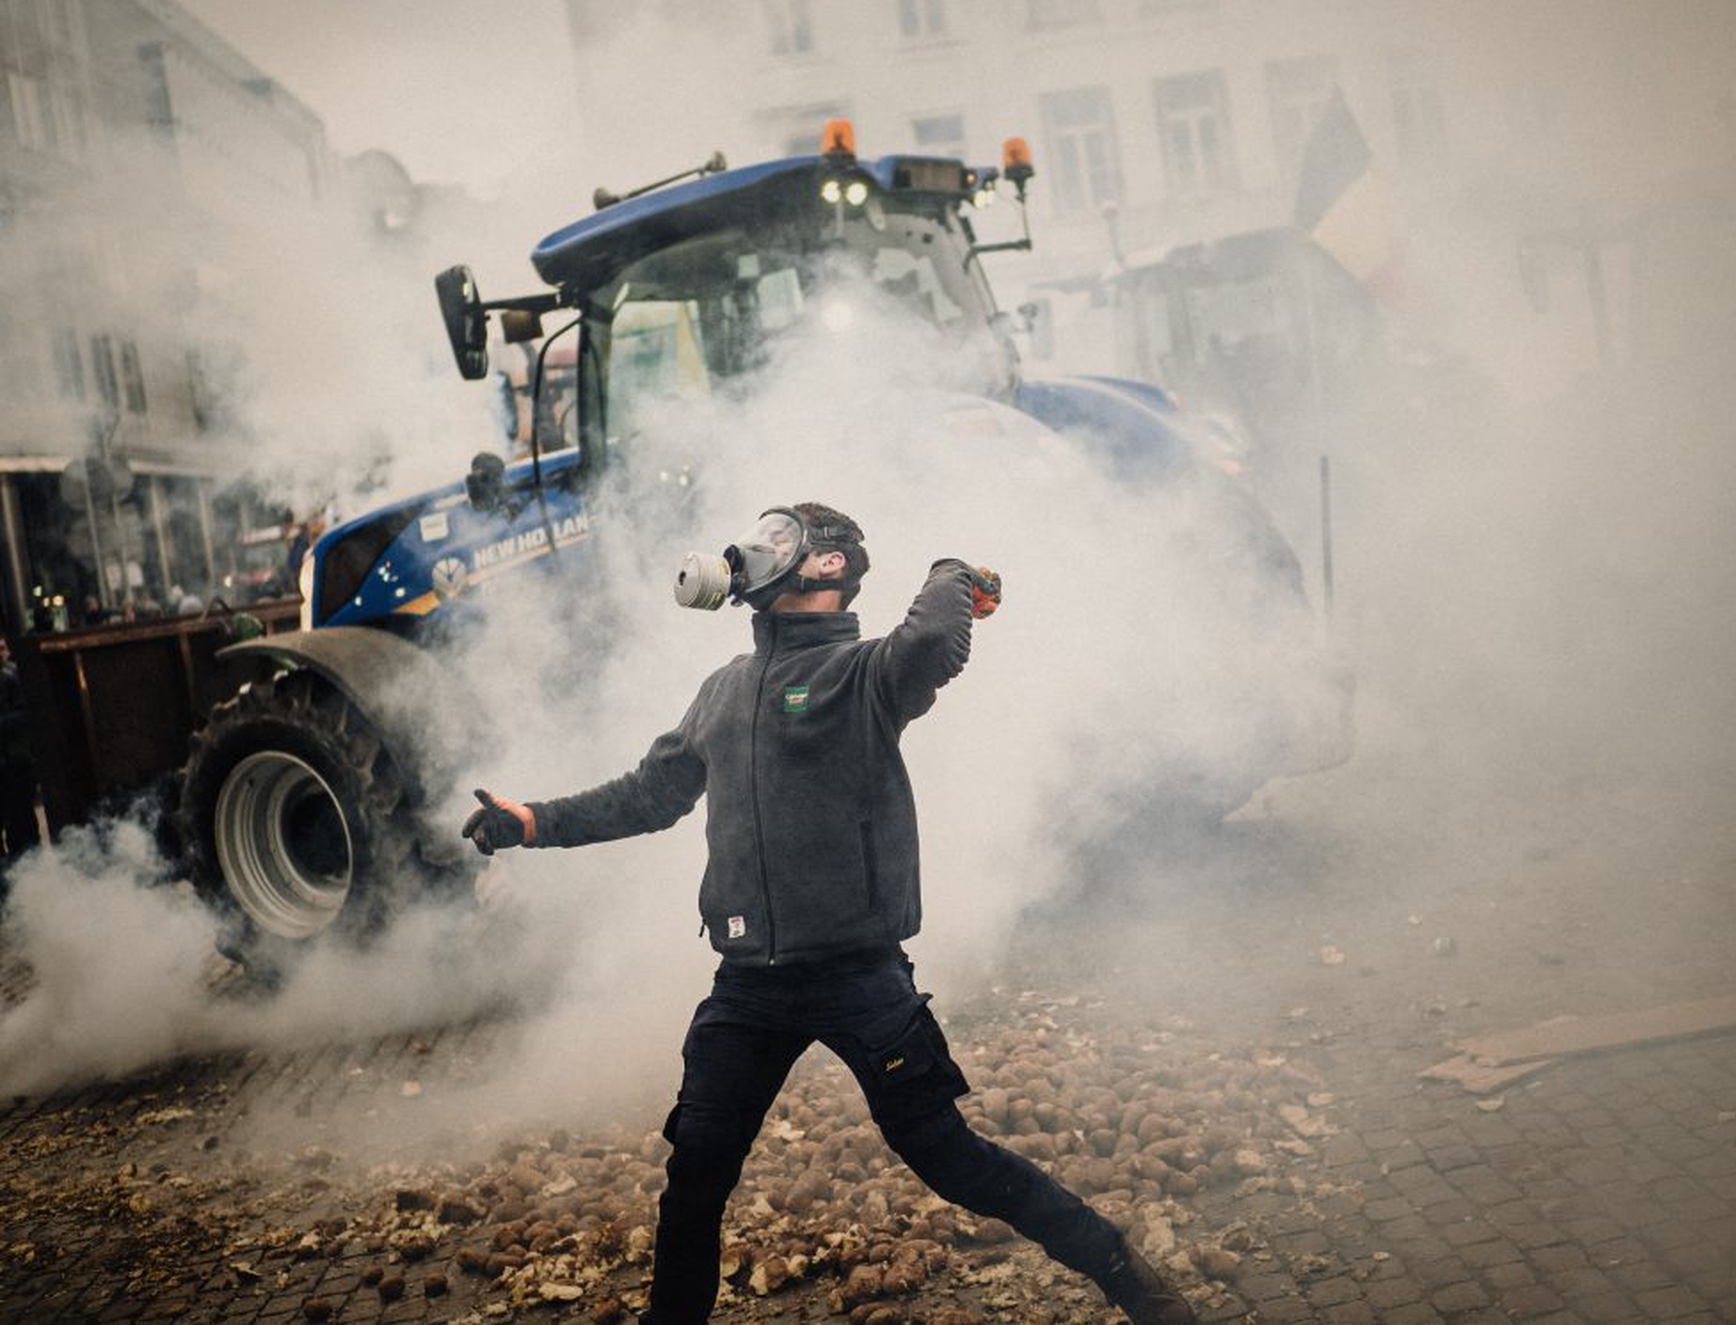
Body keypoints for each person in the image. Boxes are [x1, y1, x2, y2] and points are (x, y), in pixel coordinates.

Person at [465, 502, 1195, 1324]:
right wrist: (534, 822)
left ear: (829, 565)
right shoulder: (723, 690)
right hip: (748, 986)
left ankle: (1121, 1269)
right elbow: (648, 795)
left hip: (860, 977)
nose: (756, 549)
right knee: (695, 1175)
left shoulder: (867, 674)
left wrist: (955, 571)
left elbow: (933, 638)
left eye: (781, 538)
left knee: (949, 1158)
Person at [0, 635, 43, 869]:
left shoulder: (13, 675)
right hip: (13, 760)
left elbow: (28, 713)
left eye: (2, 648)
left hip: (15, 761)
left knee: (21, 824)